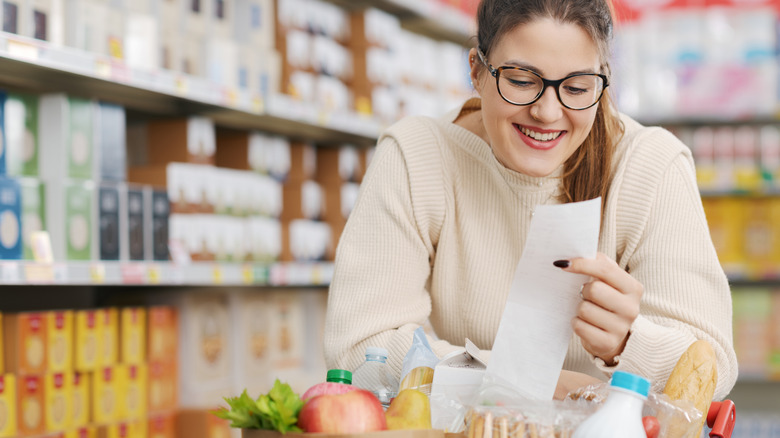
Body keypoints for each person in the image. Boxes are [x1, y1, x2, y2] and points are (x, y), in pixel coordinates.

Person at [323, 0, 738, 401]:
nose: (547, 111)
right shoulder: (417, 156)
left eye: (577, 88)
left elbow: (711, 368)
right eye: (521, 80)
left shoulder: (650, 166)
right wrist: (533, 384)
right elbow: (360, 347)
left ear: (602, 79)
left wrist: (629, 344)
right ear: (477, 71)